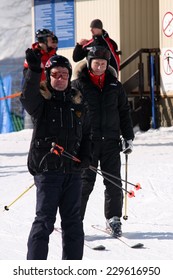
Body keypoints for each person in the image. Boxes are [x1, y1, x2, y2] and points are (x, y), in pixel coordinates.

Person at [20, 51, 91, 260]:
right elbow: (27, 98)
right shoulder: (41, 103)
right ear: (48, 77)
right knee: (44, 222)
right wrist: (34, 72)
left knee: (73, 224)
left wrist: (86, 155)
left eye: (64, 75)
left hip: (73, 172)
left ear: (69, 77)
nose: (60, 79)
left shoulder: (77, 103)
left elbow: (87, 133)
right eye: (55, 75)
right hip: (48, 172)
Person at [72, 46, 134, 238]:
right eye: (96, 63)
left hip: (111, 142)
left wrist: (128, 136)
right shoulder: (77, 85)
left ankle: (113, 219)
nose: (100, 67)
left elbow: (123, 112)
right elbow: (70, 115)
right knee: (84, 184)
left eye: (103, 64)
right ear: (89, 63)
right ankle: (74, 220)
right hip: (87, 143)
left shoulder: (115, 85)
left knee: (114, 182)